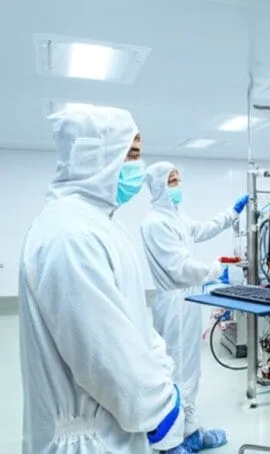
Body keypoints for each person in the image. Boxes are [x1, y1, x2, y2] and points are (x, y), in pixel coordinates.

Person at [18, 106, 187, 453]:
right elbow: (106, 361)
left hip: (112, 431)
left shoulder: (102, 225)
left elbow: (135, 324)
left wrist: (163, 380)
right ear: (96, 156)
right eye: (132, 155)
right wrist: (160, 406)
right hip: (85, 440)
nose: (137, 168)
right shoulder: (69, 235)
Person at [140, 161, 249, 451]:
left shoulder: (176, 217)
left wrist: (232, 213)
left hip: (186, 300)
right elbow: (180, 268)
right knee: (176, 371)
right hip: (174, 303)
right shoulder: (155, 223)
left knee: (191, 369)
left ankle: (191, 431)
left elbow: (202, 230)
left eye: (178, 180)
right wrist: (215, 270)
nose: (178, 186)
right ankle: (171, 442)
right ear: (158, 186)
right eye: (171, 181)